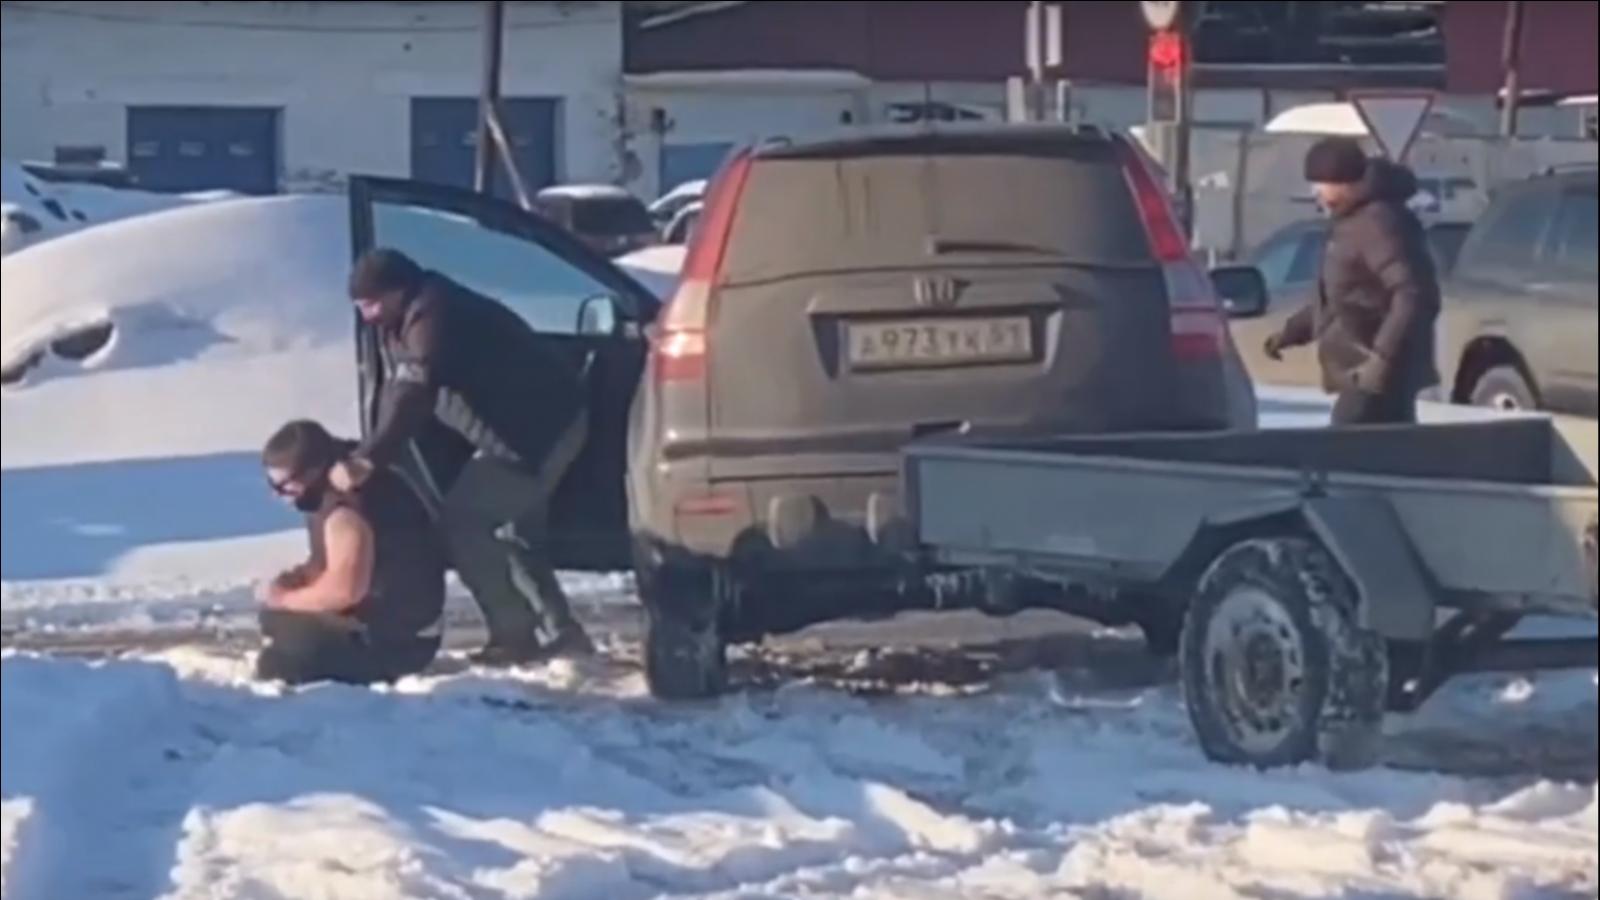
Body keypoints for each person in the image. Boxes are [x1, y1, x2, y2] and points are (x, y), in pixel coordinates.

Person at [332, 248, 595, 664]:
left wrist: (370, 459)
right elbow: (397, 390)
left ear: (398, 291)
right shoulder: (406, 315)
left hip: (536, 435)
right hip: (525, 429)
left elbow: (413, 394)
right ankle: (564, 635)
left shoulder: (435, 316)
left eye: (371, 304)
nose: (366, 315)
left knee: (465, 523)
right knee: (515, 536)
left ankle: (514, 637)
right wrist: (373, 449)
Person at [1263, 136, 1441, 425]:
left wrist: (1382, 360)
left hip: (1378, 371)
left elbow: (1413, 293)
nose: (1315, 192)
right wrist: (1292, 332)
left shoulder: (1377, 223)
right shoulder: (1352, 222)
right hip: (1364, 370)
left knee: (1348, 450)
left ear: (1344, 182)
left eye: (1320, 183)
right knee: (1379, 458)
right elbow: (1345, 297)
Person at [255, 419, 447, 685]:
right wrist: (298, 580)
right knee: (275, 616)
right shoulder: (348, 475)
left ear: (312, 473)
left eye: (283, 486)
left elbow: (345, 590)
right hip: (410, 625)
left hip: (396, 643)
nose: (277, 495)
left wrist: (287, 599)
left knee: (281, 656)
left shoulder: (344, 508)